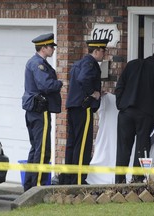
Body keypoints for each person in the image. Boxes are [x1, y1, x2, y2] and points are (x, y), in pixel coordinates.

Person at [115, 48, 154, 184]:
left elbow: (120, 85)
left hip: (126, 113)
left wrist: (120, 104)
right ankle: (137, 180)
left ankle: (119, 181)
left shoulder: (132, 64)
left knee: (123, 148)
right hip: (146, 115)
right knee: (142, 148)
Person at [62, 39, 109, 185]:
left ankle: (67, 178)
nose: (104, 54)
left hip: (74, 107)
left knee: (72, 143)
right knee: (83, 145)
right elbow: (84, 79)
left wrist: (98, 92)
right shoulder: (90, 64)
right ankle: (78, 179)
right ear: (96, 51)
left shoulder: (78, 63)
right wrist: (93, 93)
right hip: (84, 108)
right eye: (103, 51)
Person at [22, 33, 63, 191]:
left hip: (34, 111)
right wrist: (59, 83)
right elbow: (45, 85)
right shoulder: (38, 64)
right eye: (51, 46)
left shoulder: (35, 62)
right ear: (44, 47)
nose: (53, 49)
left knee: (35, 148)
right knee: (42, 149)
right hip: (40, 112)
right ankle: (37, 187)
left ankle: (29, 186)